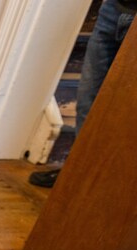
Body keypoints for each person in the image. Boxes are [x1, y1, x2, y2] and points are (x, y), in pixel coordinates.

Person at [29, 0, 134, 188]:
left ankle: (107, 185)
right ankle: (78, 171)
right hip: (112, 9)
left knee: (126, 110)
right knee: (88, 101)